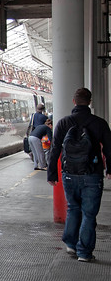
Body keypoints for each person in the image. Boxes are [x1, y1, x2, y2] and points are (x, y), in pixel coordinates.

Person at [47, 88, 111, 263]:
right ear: (89, 102)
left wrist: (52, 173)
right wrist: (109, 169)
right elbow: (109, 148)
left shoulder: (63, 123)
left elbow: (55, 149)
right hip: (92, 174)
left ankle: (71, 244)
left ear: (73, 102)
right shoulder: (99, 123)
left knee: (73, 208)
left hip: (69, 174)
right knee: (89, 214)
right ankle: (84, 253)